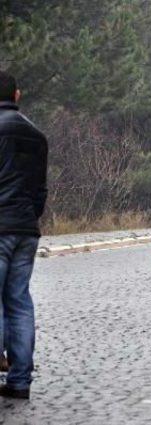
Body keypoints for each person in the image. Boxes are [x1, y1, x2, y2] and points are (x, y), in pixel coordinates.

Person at [0, 71, 48, 400]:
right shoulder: (37, 135)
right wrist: (30, 216)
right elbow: (40, 190)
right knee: (19, 303)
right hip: (26, 230)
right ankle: (20, 380)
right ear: (17, 95)